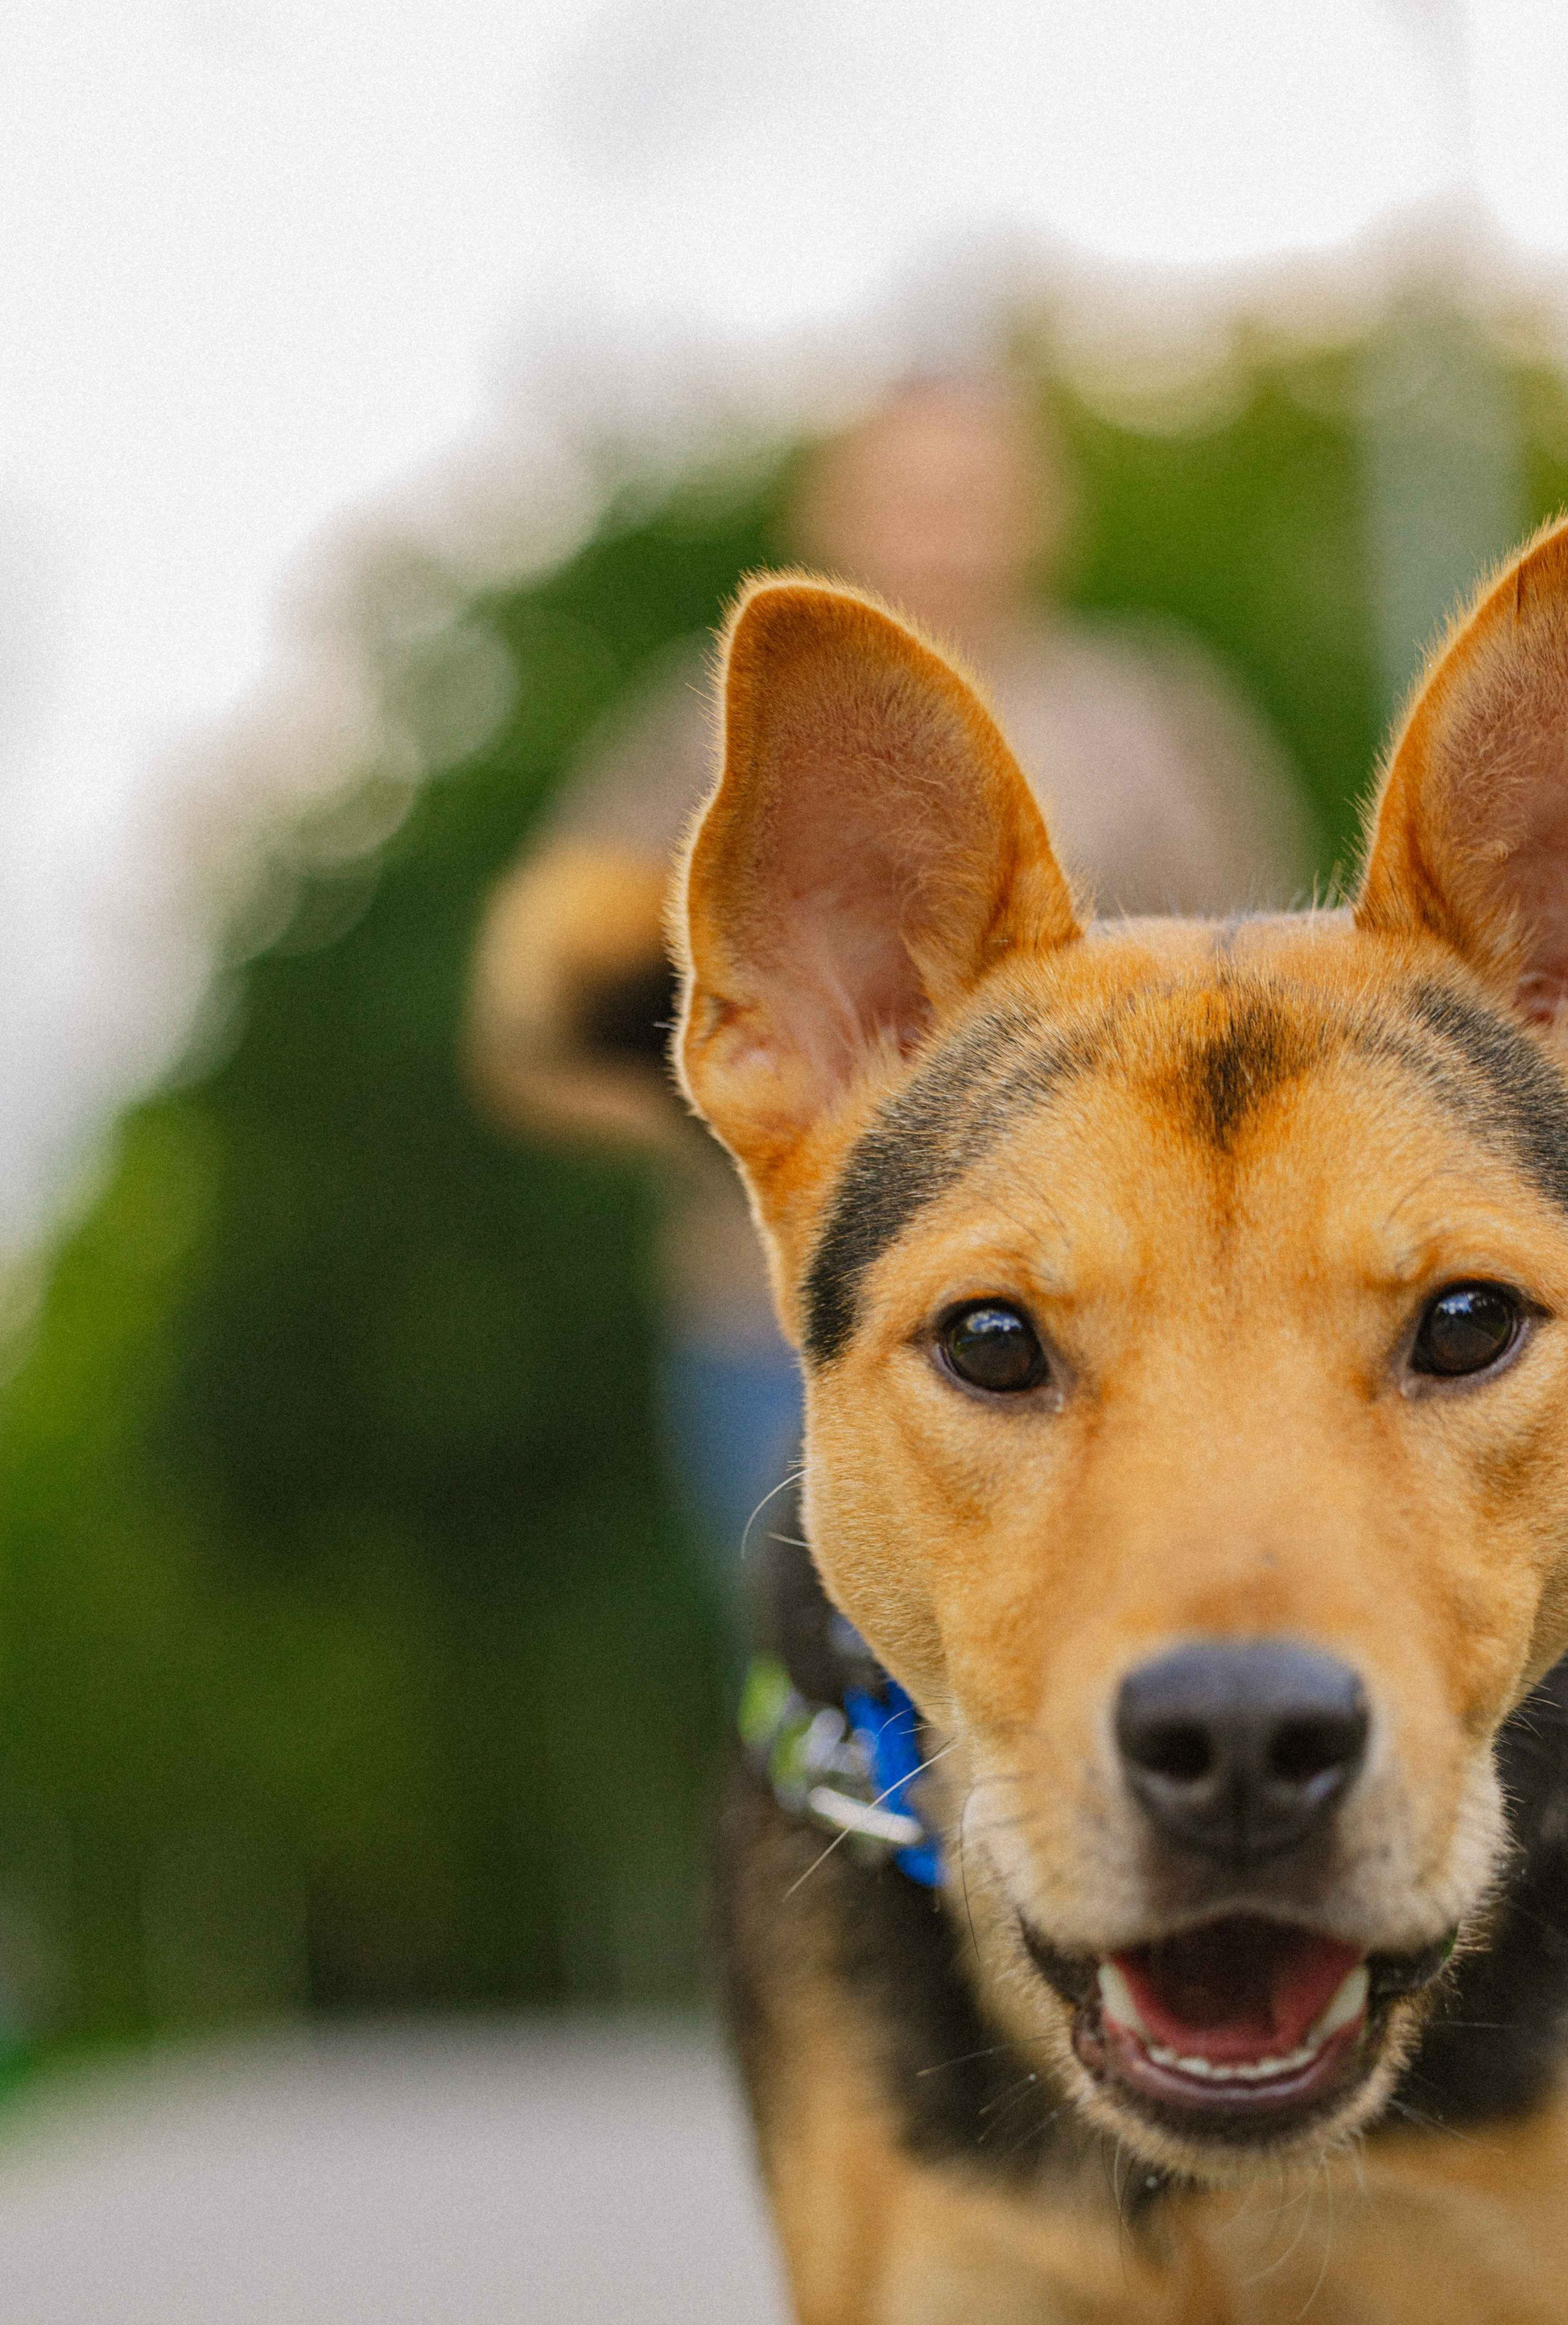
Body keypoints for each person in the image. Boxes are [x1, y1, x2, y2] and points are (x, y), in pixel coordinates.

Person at [467, 376, 1313, 1570]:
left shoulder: (1154, 724)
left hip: (1134, 1320)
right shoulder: (706, 735)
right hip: (794, 1336)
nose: (943, 532)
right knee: (861, 1723)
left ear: (1046, 515)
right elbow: (535, 1031)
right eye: (907, 498)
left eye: (973, 498)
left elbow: (1285, 1017)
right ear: (828, 514)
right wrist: (774, 1132)